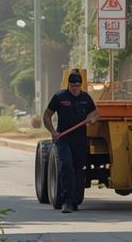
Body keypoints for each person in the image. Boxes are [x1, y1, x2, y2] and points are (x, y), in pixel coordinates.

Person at [43, 69, 100, 213]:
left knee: (78, 169)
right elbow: (47, 115)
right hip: (63, 138)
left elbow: (95, 112)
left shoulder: (86, 98)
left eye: (78, 86)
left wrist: (92, 118)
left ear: (81, 85)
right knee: (66, 165)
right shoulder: (60, 97)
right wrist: (53, 131)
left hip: (80, 139)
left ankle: (75, 201)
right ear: (68, 85)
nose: (75, 89)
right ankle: (67, 202)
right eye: (73, 86)